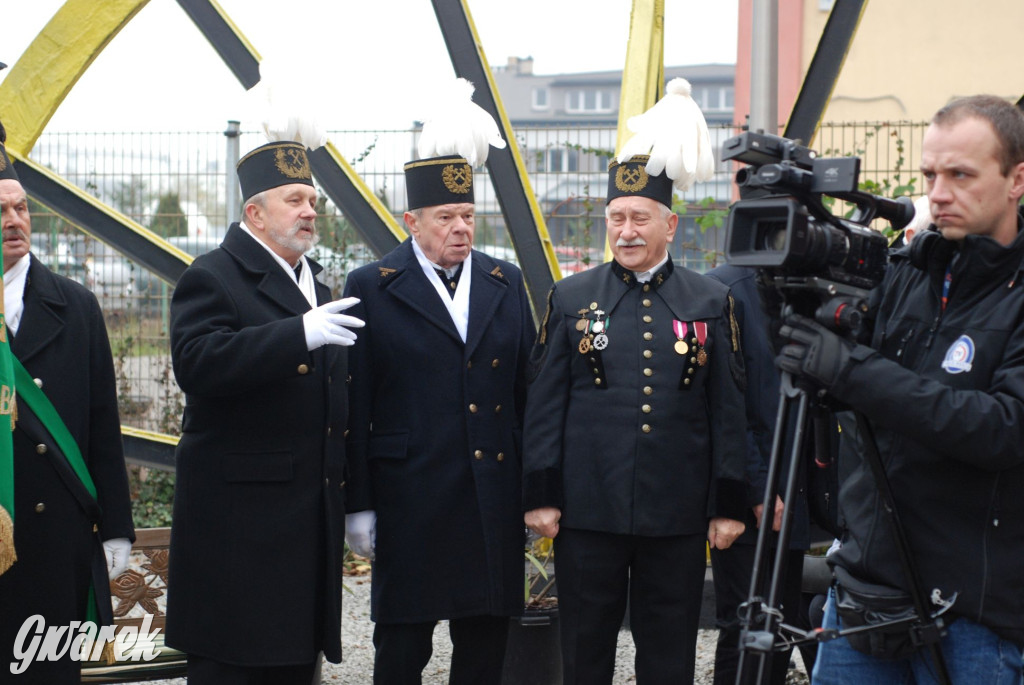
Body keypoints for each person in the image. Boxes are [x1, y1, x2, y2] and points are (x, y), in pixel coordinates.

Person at [775, 95, 1024, 683]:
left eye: (961, 175)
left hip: (974, 611)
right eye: (930, 174)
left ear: (1017, 179)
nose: (938, 193)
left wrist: (852, 370)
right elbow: (861, 400)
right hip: (865, 588)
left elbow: (1002, 429)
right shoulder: (905, 271)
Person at [522, 79, 748, 684]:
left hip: (675, 514)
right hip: (587, 510)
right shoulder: (571, 297)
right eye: (616, 217)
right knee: (585, 650)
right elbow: (546, 404)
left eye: (640, 218)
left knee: (669, 652)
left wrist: (727, 505)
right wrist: (540, 494)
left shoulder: (709, 299)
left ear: (670, 225)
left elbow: (727, 410)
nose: (626, 230)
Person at [341, 78, 535, 684]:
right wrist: (359, 503)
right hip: (410, 496)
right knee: (402, 651)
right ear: (412, 221)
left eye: (469, 215)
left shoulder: (504, 283)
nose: (460, 227)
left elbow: (528, 394)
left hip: (490, 493)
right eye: (446, 216)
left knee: (484, 648)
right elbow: (354, 402)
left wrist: (535, 489)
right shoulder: (372, 285)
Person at [165, 134, 364, 683]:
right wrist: (296, 334)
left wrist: (355, 497)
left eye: (313, 201)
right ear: (254, 212)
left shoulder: (316, 287)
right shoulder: (213, 275)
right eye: (295, 200)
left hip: (305, 521)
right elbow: (198, 363)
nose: (310, 212)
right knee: (236, 665)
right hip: (239, 533)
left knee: (294, 664)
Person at [0, 137, 135, 682]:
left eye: (21, 207)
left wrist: (118, 529)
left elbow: (103, 423)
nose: (14, 220)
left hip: (54, 544)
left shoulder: (74, 305)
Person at [706, 263, 814, 685]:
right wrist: (757, 486)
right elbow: (724, 404)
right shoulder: (725, 289)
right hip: (753, 491)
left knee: (780, 622)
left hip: (798, 487)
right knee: (748, 625)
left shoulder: (804, 282)